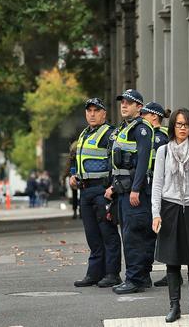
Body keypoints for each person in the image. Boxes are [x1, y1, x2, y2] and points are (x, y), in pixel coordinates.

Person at [152, 108, 189, 323]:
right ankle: (174, 306)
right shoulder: (163, 151)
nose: (182, 128)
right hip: (169, 209)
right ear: (172, 126)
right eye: (178, 124)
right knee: (172, 260)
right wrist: (155, 213)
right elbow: (157, 184)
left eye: (186, 125)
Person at [104, 89, 155, 294]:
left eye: (129, 103)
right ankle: (141, 278)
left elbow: (143, 161)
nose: (124, 105)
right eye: (122, 102)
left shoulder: (141, 129)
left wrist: (135, 189)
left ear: (139, 107)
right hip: (123, 190)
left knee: (133, 236)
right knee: (133, 235)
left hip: (135, 192)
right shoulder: (124, 128)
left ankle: (134, 279)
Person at [71, 98, 122, 288]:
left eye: (96, 110)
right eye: (89, 111)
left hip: (102, 190)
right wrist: (73, 175)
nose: (92, 114)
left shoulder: (110, 134)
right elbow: (77, 159)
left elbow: (116, 162)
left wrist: (112, 187)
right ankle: (94, 273)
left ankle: (112, 274)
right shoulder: (84, 133)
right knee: (92, 235)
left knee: (108, 233)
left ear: (104, 114)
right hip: (85, 190)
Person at [140, 101, 171, 288]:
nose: (141, 119)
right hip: (157, 187)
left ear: (153, 117)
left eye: (143, 115)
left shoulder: (159, 137)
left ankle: (170, 271)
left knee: (160, 231)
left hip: (160, 188)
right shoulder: (158, 135)